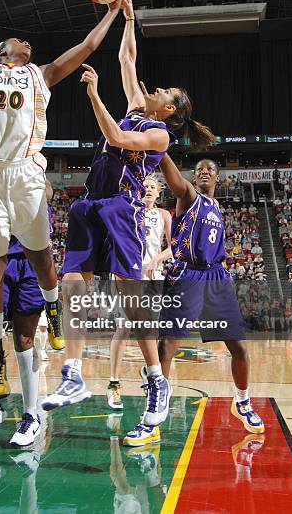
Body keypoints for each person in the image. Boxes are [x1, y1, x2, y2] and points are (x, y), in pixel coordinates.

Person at [42, 0, 215, 434]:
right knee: (72, 284)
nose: (153, 90)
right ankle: (74, 375)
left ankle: (157, 381)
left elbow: (117, 137)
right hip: (91, 201)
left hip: (124, 210)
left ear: (169, 110)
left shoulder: (158, 135)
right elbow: (126, 55)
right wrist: (129, 15)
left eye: (163, 93)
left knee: (131, 300)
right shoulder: (140, 104)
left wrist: (96, 96)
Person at [0, 0, 122, 402]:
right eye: (19, 41)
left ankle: (54, 310)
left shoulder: (43, 74)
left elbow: (90, 45)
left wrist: (114, 11)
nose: (28, 43)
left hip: (26, 171)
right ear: (1, 51)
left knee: (40, 254)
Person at [126, 155, 264, 446]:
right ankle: (154, 415)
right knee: (167, 345)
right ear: (194, 175)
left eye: (210, 170)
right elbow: (173, 176)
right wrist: (160, 148)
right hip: (187, 274)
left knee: (239, 348)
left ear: (217, 178)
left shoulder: (216, 207)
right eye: (200, 169)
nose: (204, 172)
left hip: (216, 277)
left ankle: (242, 402)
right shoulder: (188, 196)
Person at [0, 181, 55, 446]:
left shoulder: (31, 164)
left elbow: (47, 192)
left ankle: (31, 414)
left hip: (30, 261)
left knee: (24, 338)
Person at [107, 175, 172, 410]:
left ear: (159, 193)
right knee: (123, 328)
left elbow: (174, 247)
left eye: (153, 187)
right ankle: (113, 384)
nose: (148, 190)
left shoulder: (164, 215)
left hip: (153, 277)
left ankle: (150, 376)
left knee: (151, 331)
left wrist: (156, 258)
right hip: (127, 274)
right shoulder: (128, 212)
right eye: (144, 187)